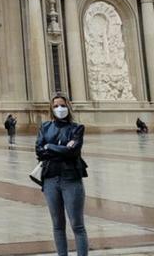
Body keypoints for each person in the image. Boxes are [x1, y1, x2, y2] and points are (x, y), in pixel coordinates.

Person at [36, 95, 89, 256]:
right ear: (51, 109)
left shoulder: (77, 128)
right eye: (56, 106)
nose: (59, 109)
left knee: (77, 224)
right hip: (50, 179)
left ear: (68, 106)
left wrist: (49, 147)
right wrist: (61, 149)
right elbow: (39, 151)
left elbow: (73, 152)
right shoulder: (45, 127)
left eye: (62, 105)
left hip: (71, 178)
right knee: (57, 225)